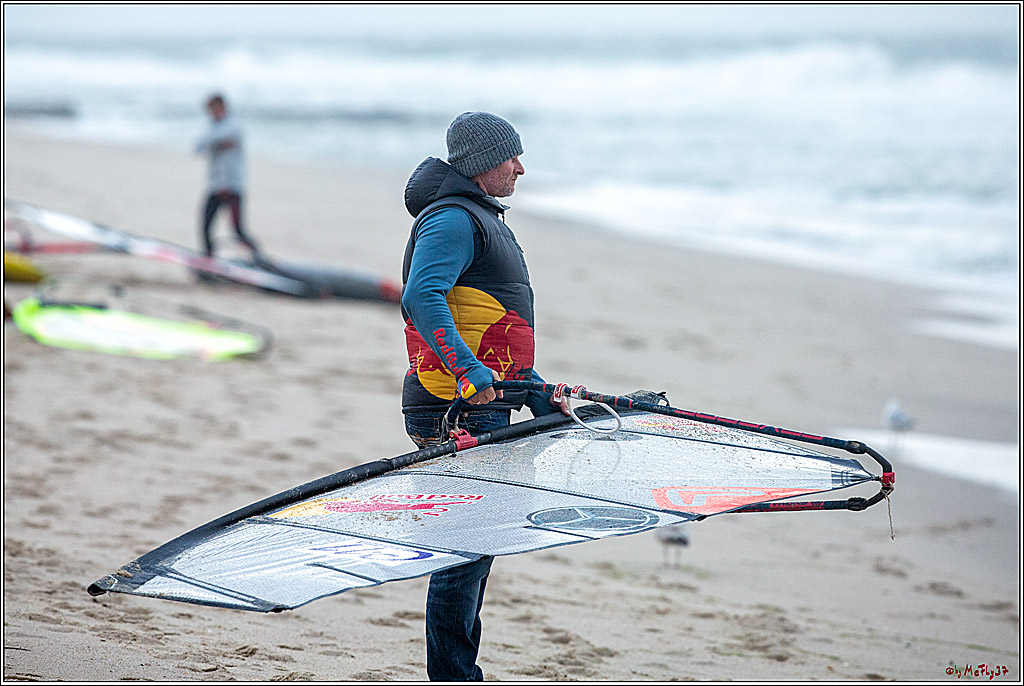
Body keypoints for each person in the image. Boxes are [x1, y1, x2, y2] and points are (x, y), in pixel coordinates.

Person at [400, 111, 569, 681]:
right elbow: (423, 296)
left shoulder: (474, 218)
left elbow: (489, 327)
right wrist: (471, 376)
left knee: (475, 547)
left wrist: (537, 392)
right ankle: (452, 676)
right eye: (510, 157)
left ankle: (457, 671)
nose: (520, 168)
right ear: (478, 164)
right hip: (455, 405)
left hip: (485, 399)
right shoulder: (451, 220)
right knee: (464, 546)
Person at [194, 93, 260, 259]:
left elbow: (225, 136)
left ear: (223, 108)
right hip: (215, 185)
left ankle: (258, 257)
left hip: (232, 185)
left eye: (215, 110)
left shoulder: (234, 125)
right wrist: (215, 142)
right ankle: (208, 259)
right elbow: (197, 147)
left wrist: (213, 141)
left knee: (238, 229)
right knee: (205, 226)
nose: (213, 114)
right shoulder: (211, 127)